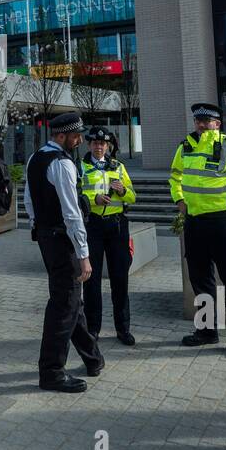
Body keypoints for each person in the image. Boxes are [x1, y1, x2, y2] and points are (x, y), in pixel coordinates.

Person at [25, 112, 104, 393]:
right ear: (61, 136)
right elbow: (73, 214)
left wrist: (39, 228)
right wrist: (84, 254)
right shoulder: (62, 164)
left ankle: (93, 358)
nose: (80, 140)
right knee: (63, 306)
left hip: (48, 238)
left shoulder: (36, 158)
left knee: (71, 301)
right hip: (63, 241)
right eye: (76, 136)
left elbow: (28, 199)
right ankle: (51, 371)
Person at [171, 102, 226, 358]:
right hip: (195, 221)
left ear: (218, 123)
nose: (202, 125)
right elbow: (175, 176)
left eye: (207, 121)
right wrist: (179, 200)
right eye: (198, 121)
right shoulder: (185, 146)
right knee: (200, 279)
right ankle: (207, 331)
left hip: (222, 221)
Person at [79, 126, 138, 346]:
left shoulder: (119, 167)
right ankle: (93, 328)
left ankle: (123, 329)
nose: (99, 147)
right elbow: (76, 196)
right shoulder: (81, 167)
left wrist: (123, 191)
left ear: (108, 146)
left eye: (102, 144)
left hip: (117, 226)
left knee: (120, 278)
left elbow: (132, 197)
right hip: (92, 226)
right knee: (91, 280)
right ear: (89, 145)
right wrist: (94, 199)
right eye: (95, 143)